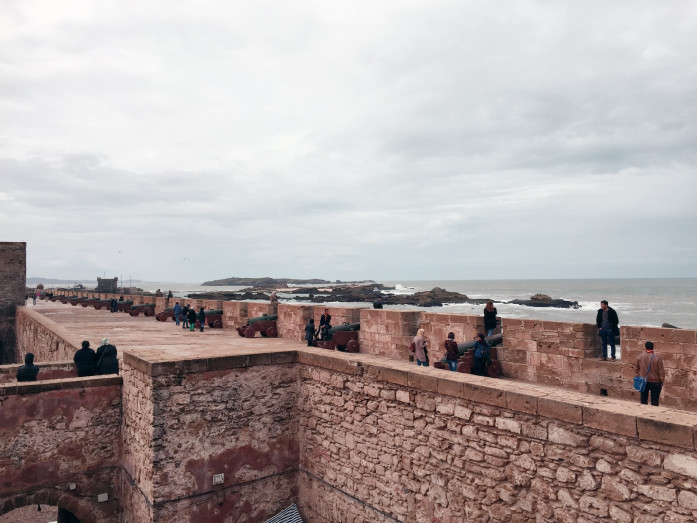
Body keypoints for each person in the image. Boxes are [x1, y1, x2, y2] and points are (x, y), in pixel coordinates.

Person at [635, 341, 665, 406]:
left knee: (643, 400)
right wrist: (662, 380)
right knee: (655, 401)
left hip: (643, 381)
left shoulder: (640, 357)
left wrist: (639, 376)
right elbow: (661, 371)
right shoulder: (657, 358)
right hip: (655, 382)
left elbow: (636, 369)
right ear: (652, 348)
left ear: (645, 347)